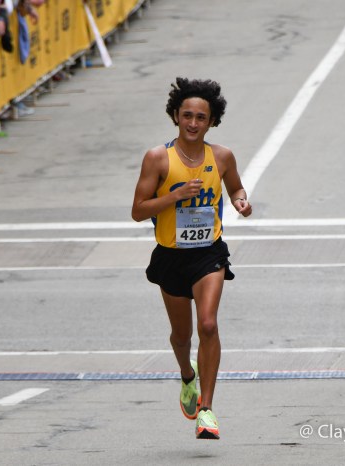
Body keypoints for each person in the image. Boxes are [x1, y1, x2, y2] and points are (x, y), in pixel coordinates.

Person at [131, 78, 252, 440]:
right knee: (181, 336)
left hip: (209, 253)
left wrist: (240, 201)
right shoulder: (158, 158)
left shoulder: (222, 157)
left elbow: (236, 187)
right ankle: (187, 374)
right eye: (187, 115)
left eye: (201, 117)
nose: (193, 123)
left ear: (212, 121)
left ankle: (207, 410)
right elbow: (138, 211)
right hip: (171, 256)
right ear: (175, 116)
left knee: (209, 325)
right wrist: (175, 195)